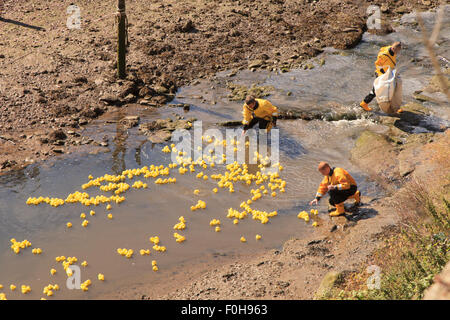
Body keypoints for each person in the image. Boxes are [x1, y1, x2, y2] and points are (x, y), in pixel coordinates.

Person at [359, 41, 402, 112]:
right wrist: (382, 74)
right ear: (393, 48)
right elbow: (377, 64)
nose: (398, 53)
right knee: (376, 91)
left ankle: (395, 107)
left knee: (393, 88)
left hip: (389, 73)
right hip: (381, 75)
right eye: (397, 51)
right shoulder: (384, 55)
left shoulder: (392, 51)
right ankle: (364, 103)